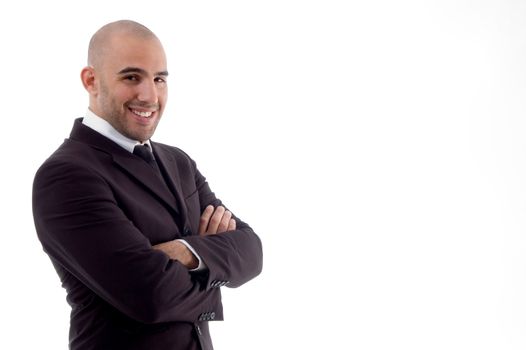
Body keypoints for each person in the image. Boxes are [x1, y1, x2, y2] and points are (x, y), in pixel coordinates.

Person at [32, 20, 263, 350]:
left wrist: (184, 251)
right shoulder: (65, 175)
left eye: (159, 79)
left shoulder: (178, 162)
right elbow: (150, 295)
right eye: (131, 77)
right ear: (91, 80)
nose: (150, 95)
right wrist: (210, 261)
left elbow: (251, 251)